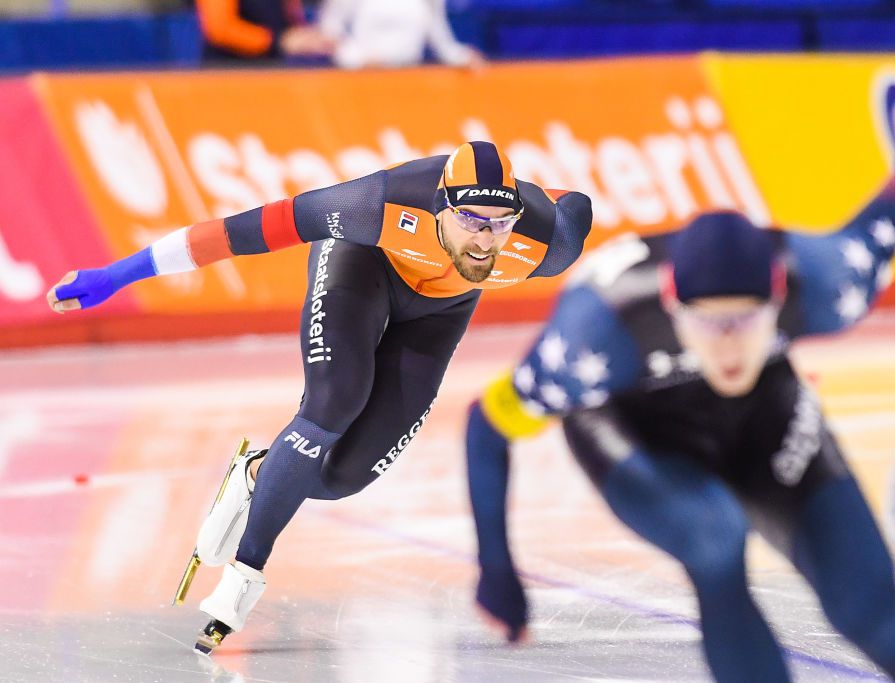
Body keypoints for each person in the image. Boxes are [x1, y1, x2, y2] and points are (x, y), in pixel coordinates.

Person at [45, 141, 593, 653]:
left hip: (440, 312)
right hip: (361, 266)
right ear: (439, 204)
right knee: (335, 400)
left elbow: (576, 204)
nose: (485, 240)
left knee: (340, 479)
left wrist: (543, 201)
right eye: (471, 220)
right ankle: (244, 575)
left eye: (500, 224)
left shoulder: (547, 243)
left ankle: (258, 472)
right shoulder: (373, 205)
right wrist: (117, 275)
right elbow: (238, 233)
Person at [464, 153, 895, 681]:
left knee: (873, 616)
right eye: (708, 323)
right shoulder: (597, 332)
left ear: (779, 296)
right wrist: (497, 569)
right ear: (670, 302)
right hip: (630, 428)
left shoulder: (828, 281)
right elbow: (487, 424)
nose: (728, 344)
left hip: (762, 417)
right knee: (715, 537)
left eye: (746, 320)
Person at [318, 0, 485, 70]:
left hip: (407, 79)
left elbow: (440, 38)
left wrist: (461, 56)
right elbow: (330, 29)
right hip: (360, 77)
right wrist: (357, 58)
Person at [196, 0, 336, 64]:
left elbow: (290, 20)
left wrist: (308, 37)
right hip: (226, 76)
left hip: (273, 73)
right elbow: (219, 29)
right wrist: (276, 41)